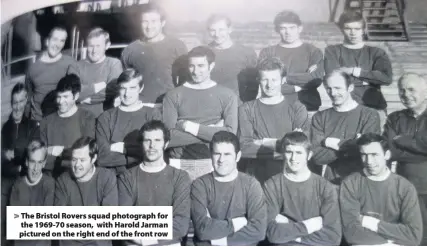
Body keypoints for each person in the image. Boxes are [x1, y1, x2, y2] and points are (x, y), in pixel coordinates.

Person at [163, 46, 238, 180]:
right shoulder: (173, 95)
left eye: (201, 66)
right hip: (179, 162)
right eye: (191, 66)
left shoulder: (227, 95)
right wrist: (213, 131)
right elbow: (168, 138)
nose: (196, 71)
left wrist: (187, 126)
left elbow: (230, 135)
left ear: (212, 66)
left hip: (213, 162)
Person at [340, 133, 422, 245]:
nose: (369, 161)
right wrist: (388, 240)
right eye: (364, 155)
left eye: (374, 155)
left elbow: (414, 235)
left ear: (387, 155)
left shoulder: (405, 187)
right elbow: (351, 233)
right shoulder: (350, 183)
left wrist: (368, 221)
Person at [118, 120, 191, 246]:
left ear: (166, 144)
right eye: (147, 140)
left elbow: (181, 224)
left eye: (157, 140)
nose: (152, 146)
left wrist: (147, 239)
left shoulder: (180, 177)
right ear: (141, 144)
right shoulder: (127, 177)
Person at [238, 57, 309, 183]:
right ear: (258, 80)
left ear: (282, 80)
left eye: (274, 80)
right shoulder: (247, 109)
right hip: (257, 174)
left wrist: (263, 142)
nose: (269, 85)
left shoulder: (297, 108)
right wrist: (284, 145)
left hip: (288, 174)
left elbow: (303, 147)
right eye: (265, 79)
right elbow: (244, 147)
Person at [263, 132, 341, 245]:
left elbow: (333, 238)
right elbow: (272, 234)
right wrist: (309, 225)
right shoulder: (272, 185)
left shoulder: (325, 186)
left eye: (299, 153)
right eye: (289, 152)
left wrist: (289, 228)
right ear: (283, 154)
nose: (294, 158)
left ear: (309, 155)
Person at [191, 131, 266, 245]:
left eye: (227, 154)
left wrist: (221, 241)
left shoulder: (251, 185)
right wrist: (237, 223)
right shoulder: (199, 185)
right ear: (211, 155)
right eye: (217, 154)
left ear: (238, 156)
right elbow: (202, 229)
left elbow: (258, 231)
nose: (221, 160)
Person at [310, 70, 381, 184]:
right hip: (332, 184)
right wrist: (352, 143)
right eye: (329, 88)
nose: (333, 93)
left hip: (362, 182)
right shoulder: (319, 117)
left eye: (338, 88)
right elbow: (317, 157)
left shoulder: (369, 115)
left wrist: (331, 143)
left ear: (350, 87)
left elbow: (367, 149)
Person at [324, 11, 392, 127]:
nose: (353, 33)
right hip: (345, 109)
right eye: (348, 28)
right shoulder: (332, 51)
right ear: (341, 29)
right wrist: (369, 79)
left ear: (364, 29)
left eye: (357, 29)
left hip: (375, 108)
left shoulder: (377, 52)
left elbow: (386, 78)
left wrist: (353, 71)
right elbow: (334, 79)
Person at [383, 73, 427, 245]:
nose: (406, 95)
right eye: (402, 90)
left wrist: (403, 140)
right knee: (413, 237)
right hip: (406, 188)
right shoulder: (395, 118)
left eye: (411, 89)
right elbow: (390, 150)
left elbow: (397, 146)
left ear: (425, 91)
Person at [258, 10, 324, 115]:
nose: (288, 32)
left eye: (292, 27)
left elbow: (316, 79)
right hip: (275, 108)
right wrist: (296, 87)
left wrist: (286, 78)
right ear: (277, 30)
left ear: (300, 28)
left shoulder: (313, 51)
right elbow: (268, 84)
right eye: (283, 28)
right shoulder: (267, 52)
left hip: (308, 108)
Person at [54, 136, 117, 246]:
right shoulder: (63, 180)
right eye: (74, 159)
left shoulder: (107, 177)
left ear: (93, 159)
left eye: (82, 160)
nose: (77, 165)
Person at [121, 3, 188, 104]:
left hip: (169, 106)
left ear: (163, 23)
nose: (149, 26)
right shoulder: (130, 50)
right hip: (140, 106)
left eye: (154, 21)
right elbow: (126, 83)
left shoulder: (177, 46)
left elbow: (186, 80)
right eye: (145, 22)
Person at [96, 69, 160, 173]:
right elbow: (102, 158)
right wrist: (138, 153)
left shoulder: (152, 114)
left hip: (144, 176)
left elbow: (156, 151)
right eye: (123, 88)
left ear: (141, 88)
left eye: (132, 88)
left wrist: (124, 148)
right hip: (114, 178)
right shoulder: (106, 117)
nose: (127, 94)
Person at [40, 74, 96, 177]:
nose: (60, 102)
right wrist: (71, 155)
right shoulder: (46, 122)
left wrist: (56, 151)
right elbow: (39, 159)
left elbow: (87, 156)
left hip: (77, 178)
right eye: (59, 97)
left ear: (76, 96)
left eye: (65, 97)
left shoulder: (87, 118)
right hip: (51, 178)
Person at [25, 26, 77, 122]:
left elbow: (78, 92)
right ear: (47, 41)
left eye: (62, 41)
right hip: (37, 122)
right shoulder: (33, 68)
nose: (58, 44)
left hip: (61, 122)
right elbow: (28, 97)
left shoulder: (70, 64)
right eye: (55, 39)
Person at [68, 27, 123, 117]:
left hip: (105, 117)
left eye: (98, 46)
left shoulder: (114, 64)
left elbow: (112, 90)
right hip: (79, 118)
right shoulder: (75, 66)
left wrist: (88, 99)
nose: (94, 50)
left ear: (107, 45)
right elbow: (71, 91)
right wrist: (95, 87)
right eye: (91, 46)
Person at [9, 139, 54, 246]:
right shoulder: (18, 185)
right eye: (32, 162)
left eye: (40, 162)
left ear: (44, 164)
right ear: (26, 162)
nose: (35, 168)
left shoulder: (49, 184)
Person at [207, 14, 258, 103]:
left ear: (230, 29)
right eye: (213, 30)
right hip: (210, 107)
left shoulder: (247, 53)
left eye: (221, 30)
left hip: (238, 107)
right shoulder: (203, 53)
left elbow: (253, 86)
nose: (217, 34)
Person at [2, 83, 39, 178]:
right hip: (8, 175)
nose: (18, 107)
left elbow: (33, 154)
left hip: (25, 175)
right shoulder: (6, 127)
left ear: (26, 100)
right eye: (15, 103)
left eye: (21, 101)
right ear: (11, 103)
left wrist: (13, 154)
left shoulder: (33, 126)